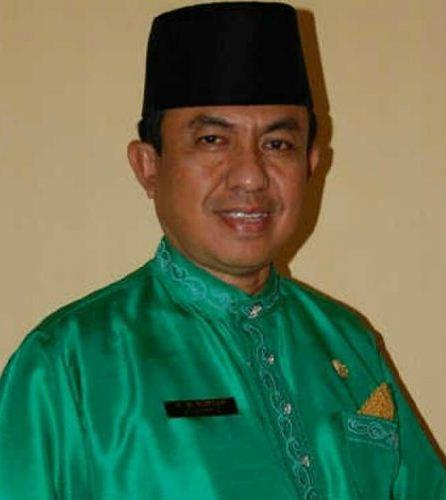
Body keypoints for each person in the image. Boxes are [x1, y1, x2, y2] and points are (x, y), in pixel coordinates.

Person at [0, 2, 444, 499]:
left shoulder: (348, 341)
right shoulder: (68, 364)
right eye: (212, 140)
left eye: (278, 144)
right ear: (148, 165)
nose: (251, 176)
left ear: (311, 163)